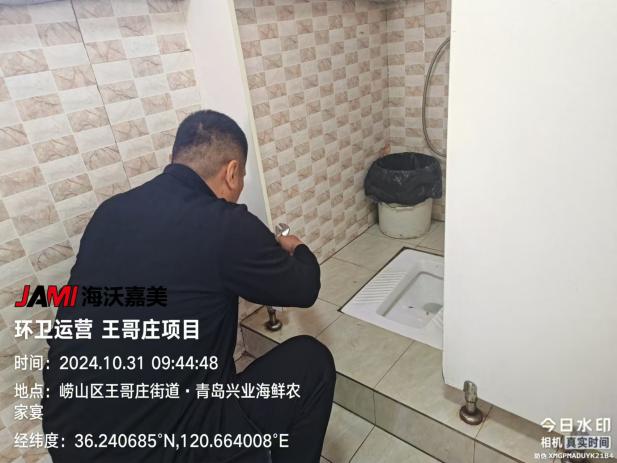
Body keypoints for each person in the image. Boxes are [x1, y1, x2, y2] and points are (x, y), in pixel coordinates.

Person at [42, 110, 336, 463]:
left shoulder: (110, 213)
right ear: (231, 172)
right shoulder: (225, 224)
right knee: (312, 363)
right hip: (165, 450)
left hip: (71, 441)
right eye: (242, 177)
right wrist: (297, 248)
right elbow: (304, 288)